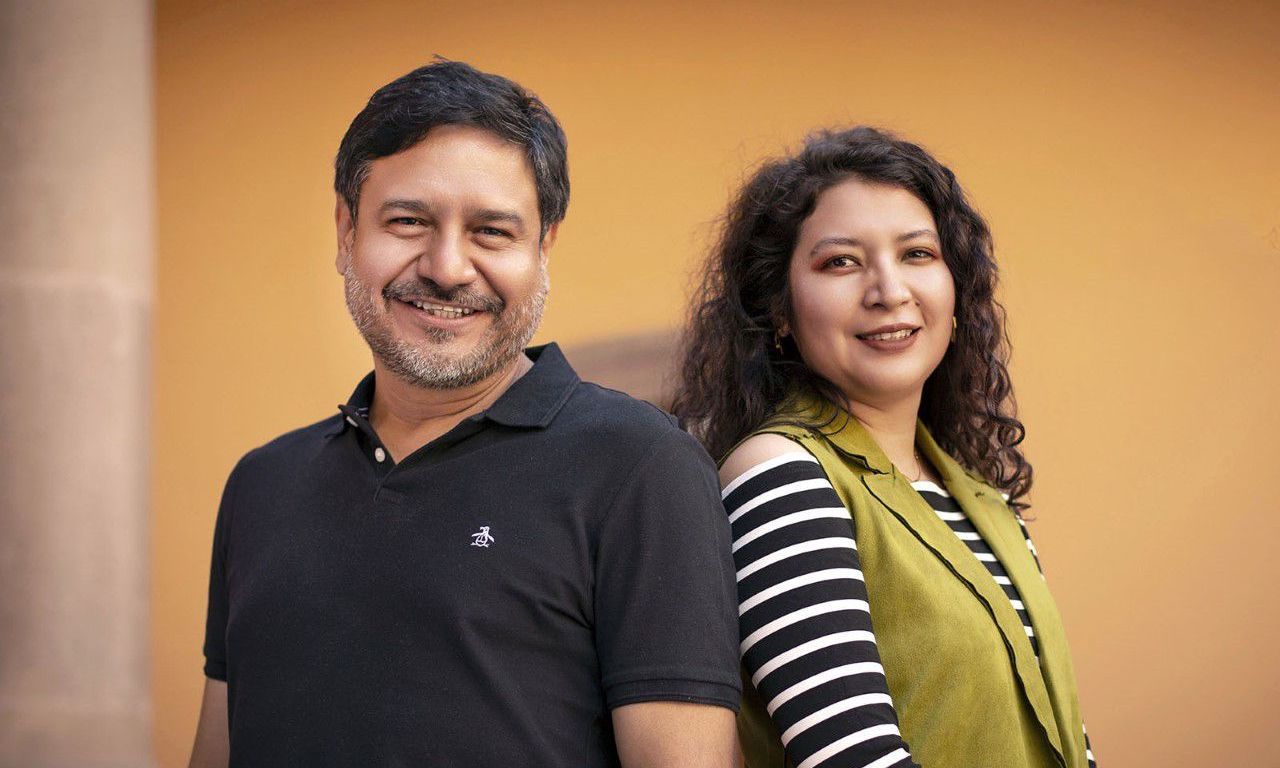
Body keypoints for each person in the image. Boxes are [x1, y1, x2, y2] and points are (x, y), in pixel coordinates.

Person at [187, 60, 741, 767]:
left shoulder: (641, 469)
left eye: (491, 232)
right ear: (345, 231)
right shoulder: (262, 485)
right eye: (408, 221)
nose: (447, 268)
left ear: (544, 247)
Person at [672, 127, 1097, 768]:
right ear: (779, 309)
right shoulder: (780, 475)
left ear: (958, 289)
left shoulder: (979, 496)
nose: (889, 291)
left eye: (917, 254)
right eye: (841, 262)